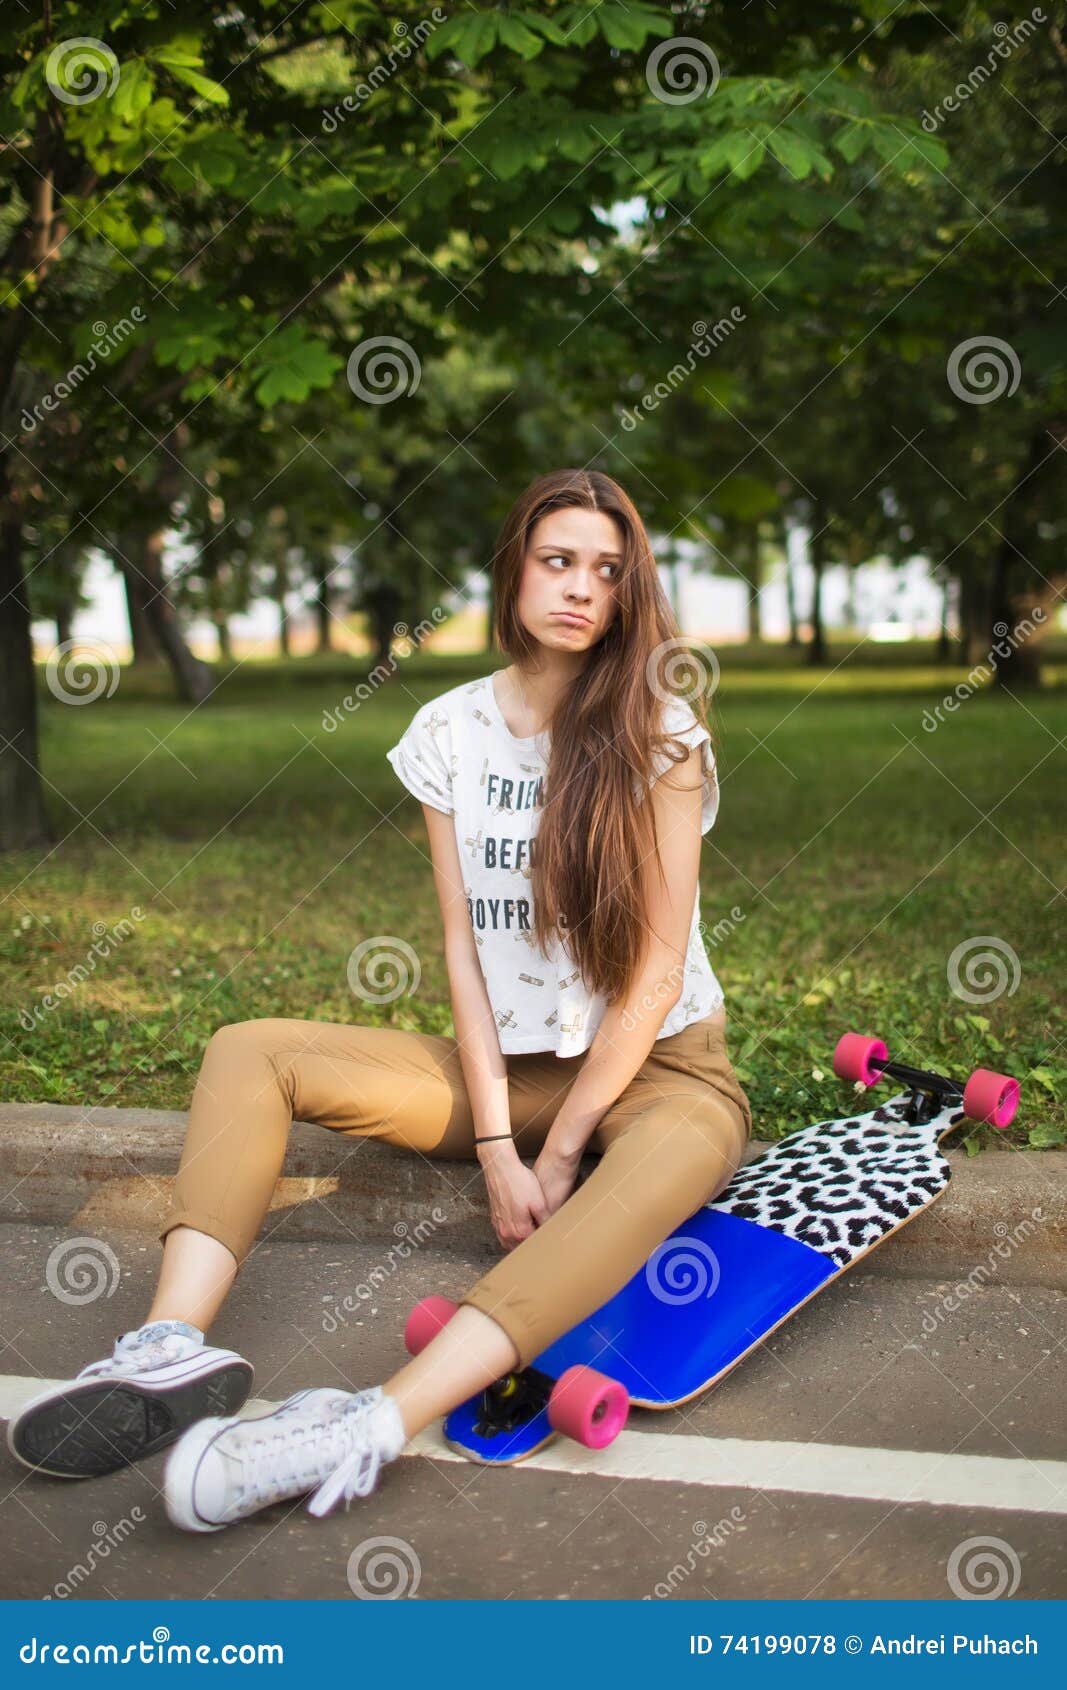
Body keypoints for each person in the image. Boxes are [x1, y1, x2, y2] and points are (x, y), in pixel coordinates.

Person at [6, 467, 753, 1533]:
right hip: (510, 1067)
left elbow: (653, 977)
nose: (581, 589)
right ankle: (169, 1350)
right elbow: (462, 950)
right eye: (557, 561)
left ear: (628, 594)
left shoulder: (661, 734)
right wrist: (495, 1139)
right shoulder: (451, 729)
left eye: (606, 571)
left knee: (655, 1171)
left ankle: (365, 1423)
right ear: (514, 569)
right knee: (251, 1048)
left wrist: (554, 1153)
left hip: (662, 1067)